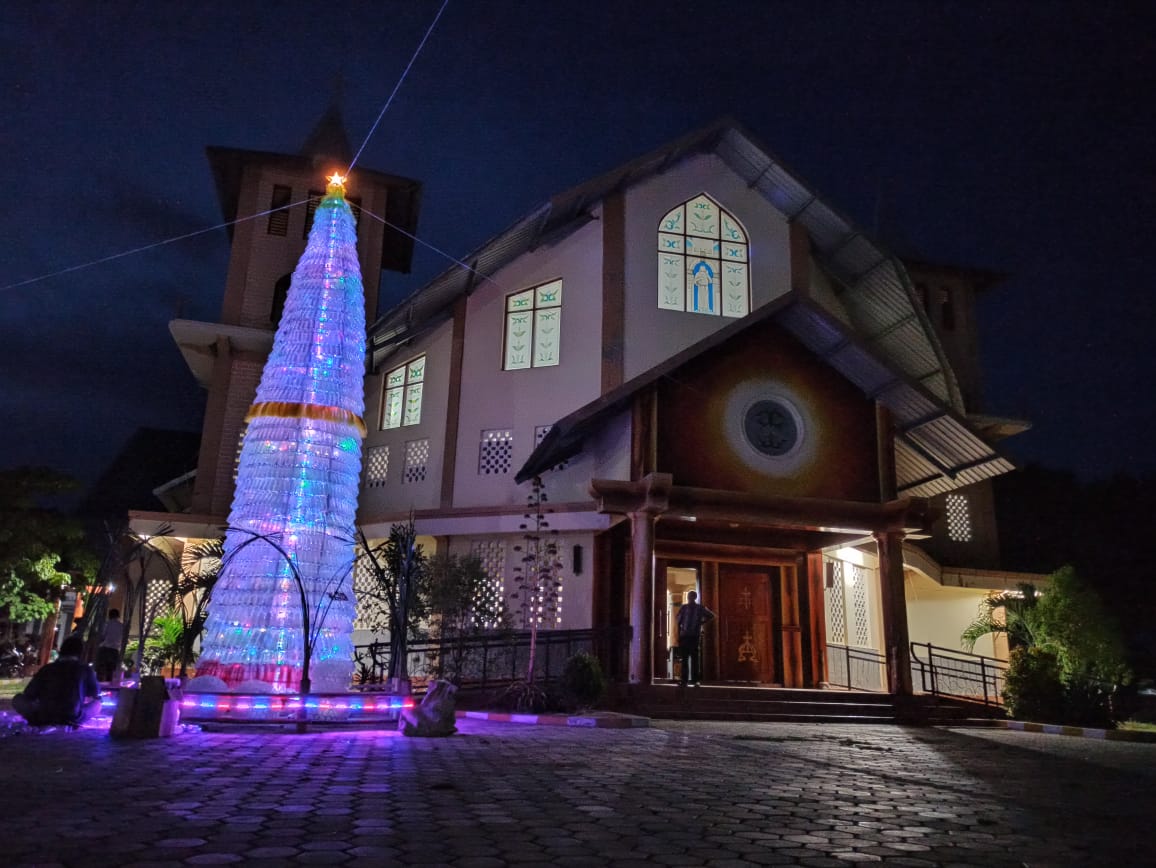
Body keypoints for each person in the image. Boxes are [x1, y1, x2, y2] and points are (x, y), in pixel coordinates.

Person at [11, 635, 102, 727]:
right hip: (72, 715)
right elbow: (95, 693)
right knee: (98, 703)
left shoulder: (47, 669)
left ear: (61, 651)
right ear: (80, 653)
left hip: (44, 715)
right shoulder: (85, 669)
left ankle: (39, 719)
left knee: (17, 699)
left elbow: (29, 693)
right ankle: (70, 720)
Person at [676, 590, 714, 687]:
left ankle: (695, 680)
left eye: (692, 596)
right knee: (685, 659)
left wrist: (701, 622)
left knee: (694, 658)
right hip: (685, 635)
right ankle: (684, 680)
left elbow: (711, 616)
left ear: (695, 597)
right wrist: (678, 635)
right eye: (689, 596)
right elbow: (678, 621)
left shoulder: (700, 608)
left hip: (694, 635)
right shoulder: (684, 608)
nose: (690, 598)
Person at [95, 608, 124, 682]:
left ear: (109, 615)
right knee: (111, 670)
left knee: (100, 669)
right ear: (118, 616)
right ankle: (109, 685)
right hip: (115, 650)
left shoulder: (107, 624)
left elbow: (102, 636)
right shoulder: (121, 626)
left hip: (105, 649)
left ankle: (99, 685)